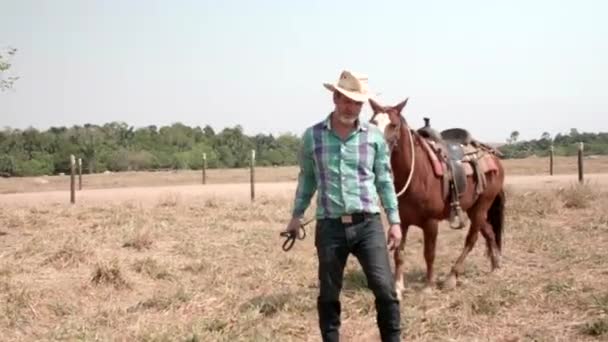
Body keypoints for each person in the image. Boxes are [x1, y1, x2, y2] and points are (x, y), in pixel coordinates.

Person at [283, 70, 403, 342]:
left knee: (385, 289)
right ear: (335, 98)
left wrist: (394, 221)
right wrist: (296, 216)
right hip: (330, 226)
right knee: (328, 293)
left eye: (358, 102)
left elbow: (384, 180)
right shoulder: (312, 136)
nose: (352, 107)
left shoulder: (373, 137)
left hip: (368, 225)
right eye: (347, 100)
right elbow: (307, 179)